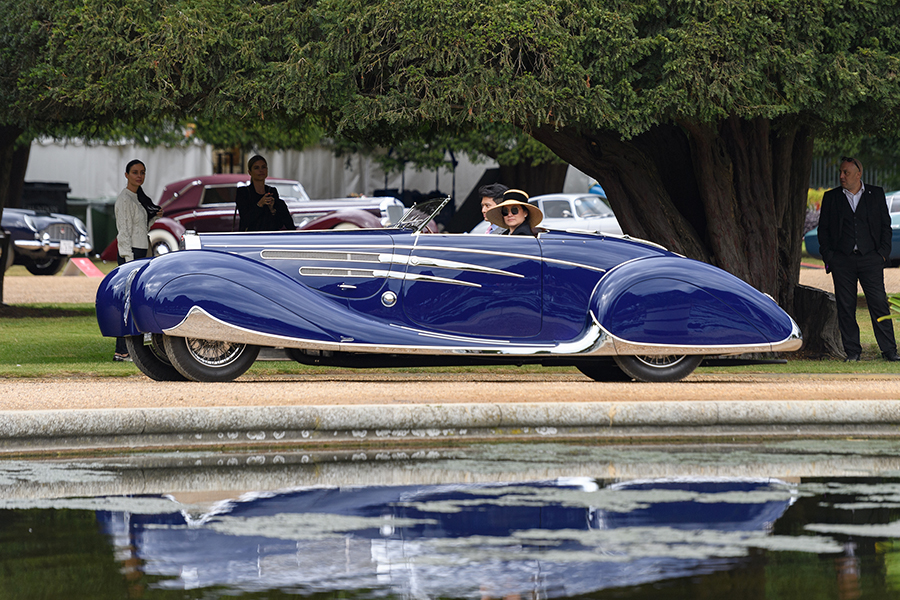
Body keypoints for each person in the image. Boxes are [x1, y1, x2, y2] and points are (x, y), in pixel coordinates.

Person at [817, 156, 899, 362]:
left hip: (871, 259)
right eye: (841, 172)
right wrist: (830, 257)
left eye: (846, 172)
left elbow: (885, 227)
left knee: (879, 303)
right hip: (842, 261)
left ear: (858, 173)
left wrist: (882, 254)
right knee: (846, 306)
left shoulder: (876, 194)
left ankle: (889, 351)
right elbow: (823, 230)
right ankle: (853, 353)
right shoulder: (831, 197)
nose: (841, 176)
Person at [114, 159, 162, 362]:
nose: (139, 176)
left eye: (142, 172)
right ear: (126, 175)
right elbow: (123, 233)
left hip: (142, 253)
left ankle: (134, 348)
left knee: (137, 301)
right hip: (130, 255)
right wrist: (129, 261)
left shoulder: (138, 198)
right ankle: (122, 351)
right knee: (126, 302)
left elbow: (139, 229)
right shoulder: (124, 199)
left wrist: (153, 217)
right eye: (135, 172)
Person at [235, 155, 295, 232]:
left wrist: (272, 210)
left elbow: (279, 223)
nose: (261, 170)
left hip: (270, 237)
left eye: (263, 167)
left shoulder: (272, 191)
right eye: (256, 168)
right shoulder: (243, 192)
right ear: (250, 172)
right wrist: (259, 204)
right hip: (251, 238)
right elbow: (245, 220)